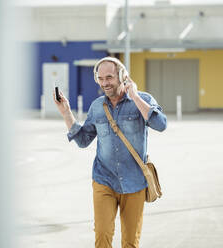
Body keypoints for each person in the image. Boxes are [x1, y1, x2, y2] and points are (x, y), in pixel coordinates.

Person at [53, 57, 167, 248]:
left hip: (134, 183)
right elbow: (82, 141)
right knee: (102, 235)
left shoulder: (143, 99)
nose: (105, 83)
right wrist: (66, 113)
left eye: (109, 77)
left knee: (130, 242)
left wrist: (135, 96)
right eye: (100, 78)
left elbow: (161, 124)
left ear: (122, 76)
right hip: (104, 180)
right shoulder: (97, 107)